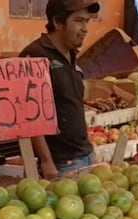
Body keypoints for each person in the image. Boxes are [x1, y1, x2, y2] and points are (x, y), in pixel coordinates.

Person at [20, 0, 100, 177]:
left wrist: (89, 149)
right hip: (60, 163)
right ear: (57, 22)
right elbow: (30, 115)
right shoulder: (35, 56)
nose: (85, 28)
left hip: (84, 156)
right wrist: (46, 161)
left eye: (87, 21)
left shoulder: (71, 54)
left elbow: (73, 106)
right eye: (78, 21)